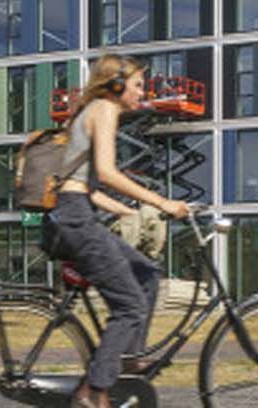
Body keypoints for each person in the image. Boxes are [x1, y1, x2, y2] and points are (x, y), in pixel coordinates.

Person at [50, 56, 188, 408]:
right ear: (115, 85)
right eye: (138, 85)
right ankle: (93, 391)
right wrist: (162, 201)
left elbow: (89, 189)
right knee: (130, 306)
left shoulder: (92, 111)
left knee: (147, 274)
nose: (143, 92)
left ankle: (127, 359)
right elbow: (108, 173)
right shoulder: (105, 109)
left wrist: (131, 212)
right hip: (77, 219)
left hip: (77, 212)